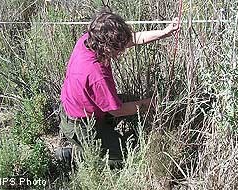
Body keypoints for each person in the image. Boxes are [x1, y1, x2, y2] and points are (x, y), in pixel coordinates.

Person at [57, 9, 180, 169]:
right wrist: (149, 103)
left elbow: (132, 39)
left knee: (134, 103)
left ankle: (110, 138)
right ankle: (74, 154)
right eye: (119, 48)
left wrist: (165, 32)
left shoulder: (89, 40)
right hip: (80, 124)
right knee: (127, 157)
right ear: (108, 48)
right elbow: (117, 111)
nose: (123, 51)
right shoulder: (96, 74)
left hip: (87, 108)